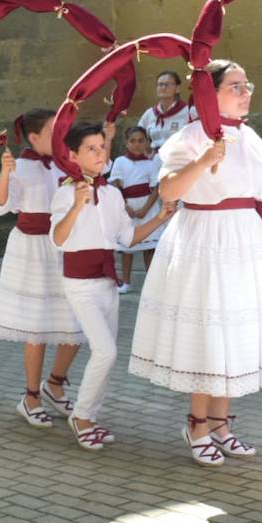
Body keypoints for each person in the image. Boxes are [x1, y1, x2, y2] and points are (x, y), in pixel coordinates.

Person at [130, 60, 262, 466]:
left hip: (245, 238)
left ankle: (220, 423)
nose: (246, 92)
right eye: (235, 86)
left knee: (234, 331)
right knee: (208, 333)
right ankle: (196, 424)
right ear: (209, 93)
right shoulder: (190, 137)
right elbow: (169, 190)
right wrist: (204, 157)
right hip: (206, 239)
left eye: (247, 85)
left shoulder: (251, 138)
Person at [51, 120, 174, 450]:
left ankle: (90, 416)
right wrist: (77, 205)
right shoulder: (65, 192)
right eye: (90, 148)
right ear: (73, 155)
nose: (99, 153)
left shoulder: (112, 193)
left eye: (102, 147)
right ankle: (80, 416)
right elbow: (58, 239)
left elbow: (127, 238)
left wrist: (160, 218)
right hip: (79, 284)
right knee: (106, 351)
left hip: (107, 281)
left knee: (106, 355)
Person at [0, 108, 84, 428]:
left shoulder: (68, 161)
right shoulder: (22, 166)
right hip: (32, 248)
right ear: (33, 138)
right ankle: (30, 396)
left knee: (76, 323)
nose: (60, 136)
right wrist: (4, 173)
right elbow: (1, 205)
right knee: (37, 328)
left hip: (65, 244)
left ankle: (55, 384)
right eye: (52, 131)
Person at [107, 125, 164, 292]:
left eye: (141, 141)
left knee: (149, 248)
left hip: (148, 207)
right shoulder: (120, 161)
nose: (137, 144)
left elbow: (156, 188)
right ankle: (125, 282)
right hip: (127, 209)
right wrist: (125, 206)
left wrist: (146, 209)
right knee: (127, 248)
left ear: (147, 142)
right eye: (132, 141)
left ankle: (151, 284)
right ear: (126, 143)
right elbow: (115, 186)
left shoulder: (151, 163)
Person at [136, 71, 193, 153]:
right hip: (154, 160)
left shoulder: (188, 112)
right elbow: (137, 136)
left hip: (178, 159)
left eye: (167, 84)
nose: (163, 87)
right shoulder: (150, 114)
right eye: (160, 84)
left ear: (177, 89)